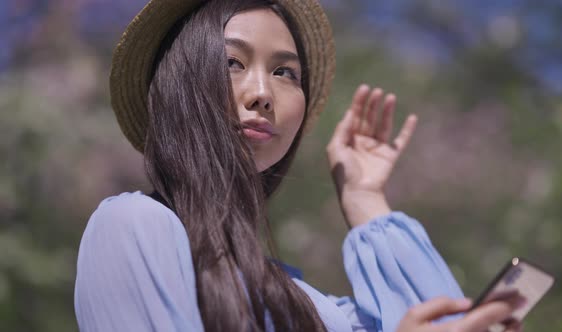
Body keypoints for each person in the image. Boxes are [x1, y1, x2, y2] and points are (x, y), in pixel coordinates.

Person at [74, 0, 523, 331]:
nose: (262, 93)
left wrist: (364, 198)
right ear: (177, 88)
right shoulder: (131, 225)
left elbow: (449, 319)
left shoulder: (318, 307)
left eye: (286, 73)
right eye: (232, 62)